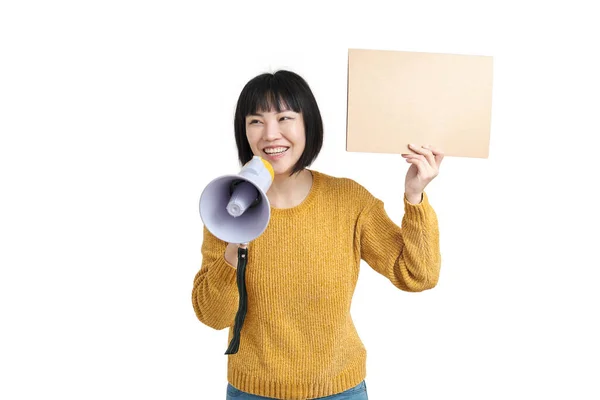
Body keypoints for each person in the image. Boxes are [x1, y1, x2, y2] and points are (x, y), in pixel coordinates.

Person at [192, 70, 443, 400]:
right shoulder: (224, 208)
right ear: (245, 131)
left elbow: (418, 275)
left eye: (285, 117)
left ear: (308, 123)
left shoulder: (348, 201)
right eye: (256, 121)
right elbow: (213, 316)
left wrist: (414, 197)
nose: (270, 134)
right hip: (252, 392)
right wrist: (232, 248)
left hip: (339, 390)